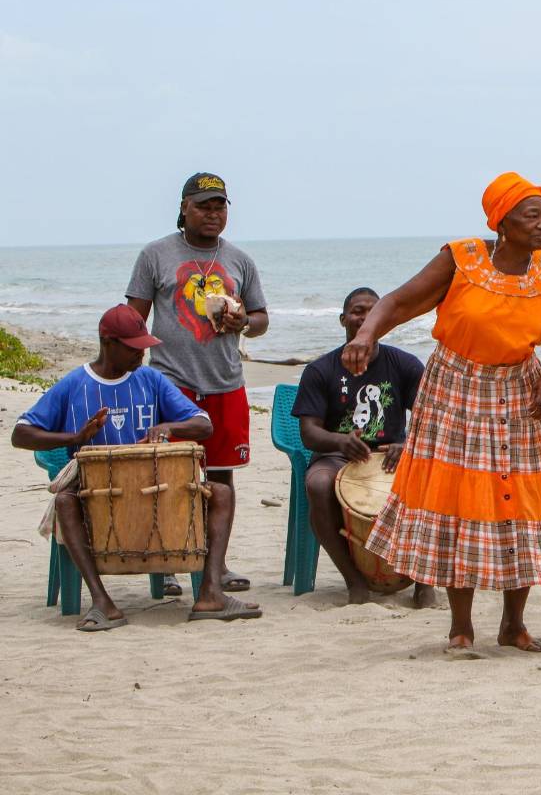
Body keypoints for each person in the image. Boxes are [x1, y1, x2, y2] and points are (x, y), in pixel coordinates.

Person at [342, 172, 541, 653]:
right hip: (456, 391)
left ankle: (513, 624)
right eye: (532, 216)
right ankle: (461, 627)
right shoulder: (460, 259)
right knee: (462, 504)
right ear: (502, 222)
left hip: (520, 392)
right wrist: (365, 335)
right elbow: (398, 301)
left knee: (519, 507)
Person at [11, 305, 261, 630]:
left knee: (222, 493)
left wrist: (169, 427)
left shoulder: (151, 380)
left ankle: (210, 593)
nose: (141, 354)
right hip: (97, 497)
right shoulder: (75, 384)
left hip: (157, 492)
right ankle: (103, 603)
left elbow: (203, 424)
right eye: (133, 347)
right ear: (107, 342)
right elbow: (21, 433)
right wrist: (74, 436)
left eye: (144, 346)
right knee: (63, 502)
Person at [126, 172, 268, 595]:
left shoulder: (240, 261)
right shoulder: (155, 255)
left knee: (222, 477)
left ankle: (215, 564)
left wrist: (244, 321)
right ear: (184, 208)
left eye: (220, 205)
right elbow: (134, 320)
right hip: (171, 384)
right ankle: (167, 562)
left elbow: (261, 320)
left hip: (225, 383)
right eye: (203, 205)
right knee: (168, 475)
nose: (212, 213)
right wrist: (131, 377)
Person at [292, 286, 432, 606]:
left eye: (372, 311)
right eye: (357, 311)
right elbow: (309, 433)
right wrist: (340, 441)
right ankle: (354, 581)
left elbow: (433, 418)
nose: (364, 317)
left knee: (436, 480)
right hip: (337, 456)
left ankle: (424, 581)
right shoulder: (320, 370)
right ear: (343, 319)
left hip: (391, 456)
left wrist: (408, 443)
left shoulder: (405, 364)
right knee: (317, 483)